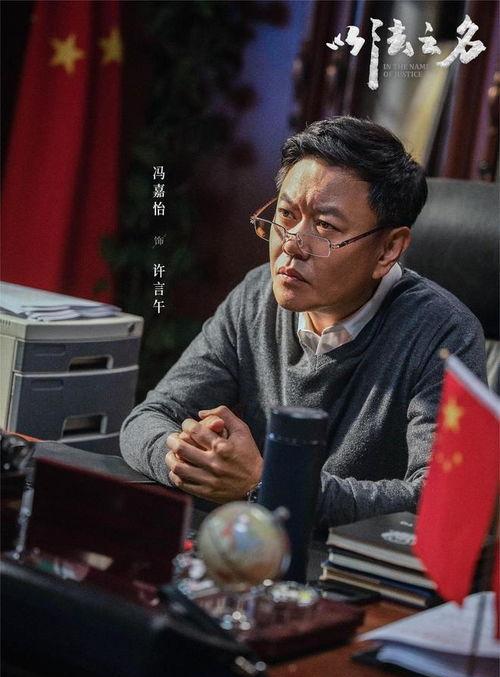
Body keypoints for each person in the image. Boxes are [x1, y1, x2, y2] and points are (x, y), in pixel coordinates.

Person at [120, 116, 486, 528]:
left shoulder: (443, 333)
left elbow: (440, 500)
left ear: (388, 250)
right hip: (256, 547)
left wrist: (266, 485)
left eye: (325, 226)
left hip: (353, 562)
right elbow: (148, 418)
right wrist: (188, 458)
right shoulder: (256, 296)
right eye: (286, 214)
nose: (292, 244)